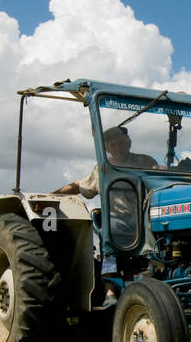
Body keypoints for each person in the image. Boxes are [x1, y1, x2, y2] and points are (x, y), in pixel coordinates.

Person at [53, 126, 157, 307]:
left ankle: (151, 278)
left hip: (142, 217)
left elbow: (159, 176)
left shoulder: (144, 161)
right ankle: (110, 291)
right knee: (110, 233)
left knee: (157, 232)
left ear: (129, 143)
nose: (118, 147)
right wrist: (52, 195)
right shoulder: (102, 168)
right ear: (107, 148)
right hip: (117, 220)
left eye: (122, 143)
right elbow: (80, 185)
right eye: (113, 144)